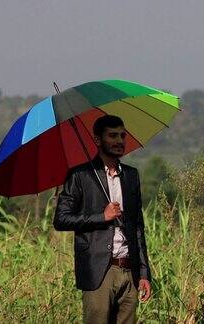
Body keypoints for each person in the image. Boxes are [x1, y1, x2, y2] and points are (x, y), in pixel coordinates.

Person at [53, 115, 152, 323]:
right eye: (113, 135)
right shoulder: (80, 175)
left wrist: (143, 273)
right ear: (98, 140)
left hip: (130, 270)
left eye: (122, 136)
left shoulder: (131, 175)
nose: (119, 141)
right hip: (99, 271)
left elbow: (137, 227)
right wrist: (102, 217)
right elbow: (61, 219)